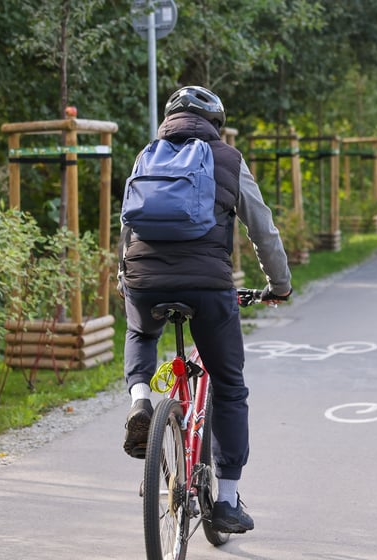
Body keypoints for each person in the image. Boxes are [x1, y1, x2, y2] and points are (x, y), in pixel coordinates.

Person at [118, 85, 292, 534]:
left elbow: (127, 227)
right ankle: (228, 500)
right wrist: (279, 285)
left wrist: (127, 282)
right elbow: (262, 229)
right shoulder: (229, 160)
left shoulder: (146, 156)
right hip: (207, 286)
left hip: (144, 280)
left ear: (168, 120)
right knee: (230, 386)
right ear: (215, 124)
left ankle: (141, 403)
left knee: (140, 333)